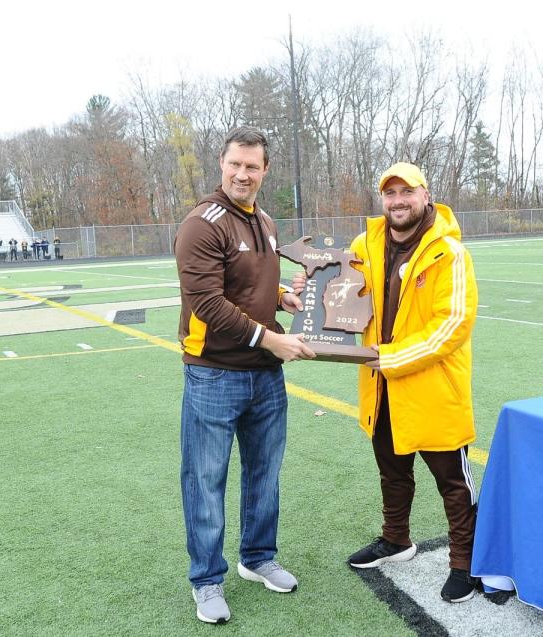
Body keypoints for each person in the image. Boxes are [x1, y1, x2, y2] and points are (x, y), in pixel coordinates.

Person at [173, 126, 315, 624]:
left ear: (264, 170)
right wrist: (271, 338)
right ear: (222, 163)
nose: (243, 173)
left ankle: (257, 558)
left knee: (264, 475)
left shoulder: (267, 222)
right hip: (214, 373)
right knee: (206, 480)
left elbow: (255, 284)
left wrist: (284, 298)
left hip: (265, 376)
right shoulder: (202, 223)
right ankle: (207, 581)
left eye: (252, 166)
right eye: (236, 164)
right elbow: (208, 302)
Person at [345, 162, 480, 603]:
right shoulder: (366, 243)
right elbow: (345, 295)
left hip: (432, 387)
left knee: (452, 483)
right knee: (392, 471)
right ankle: (396, 539)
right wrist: (312, 289)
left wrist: (392, 358)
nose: (398, 200)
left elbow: (453, 324)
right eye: (390, 193)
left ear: (426, 195)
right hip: (382, 387)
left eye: (407, 191)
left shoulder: (449, 252)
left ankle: (466, 561)